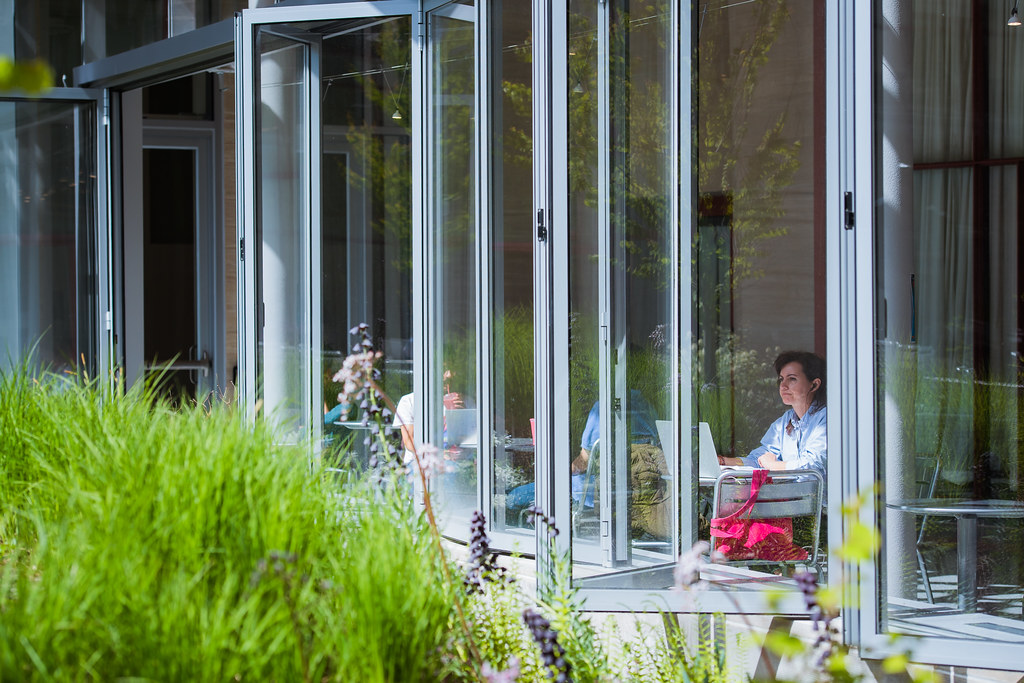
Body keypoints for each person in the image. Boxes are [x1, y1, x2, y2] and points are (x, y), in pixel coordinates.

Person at [507, 390, 670, 539]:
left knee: (514, 497)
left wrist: (561, 471)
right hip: (636, 492)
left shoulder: (602, 408)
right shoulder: (643, 403)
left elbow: (583, 463)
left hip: (591, 493)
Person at [718, 350, 827, 481]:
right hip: (796, 499)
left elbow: (813, 467)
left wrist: (772, 465)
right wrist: (724, 461)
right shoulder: (784, 422)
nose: (783, 385)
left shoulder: (827, 419)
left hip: (828, 501)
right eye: (781, 379)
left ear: (814, 384)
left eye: (792, 379)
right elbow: (759, 459)